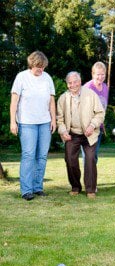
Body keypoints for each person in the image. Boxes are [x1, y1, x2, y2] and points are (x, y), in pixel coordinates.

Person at [10, 51, 56, 201]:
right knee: (28, 155)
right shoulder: (21, 77)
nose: (41, 70)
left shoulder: (47, 78)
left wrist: (53, 120)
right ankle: (26, 190)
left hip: (45, 122)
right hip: (27, 122)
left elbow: (51, 102)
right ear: (32, 64)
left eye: (43, 67)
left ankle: (38, 187)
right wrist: (13, 121)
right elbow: (14, 102)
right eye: (38, 67)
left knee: (42, 156)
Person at [56, 71, 105, 199]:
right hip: (72, 134)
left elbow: (100, 113)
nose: (73, 85)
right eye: (70, 83)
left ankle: (90, 189)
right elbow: (59, 119)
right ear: (67, 84)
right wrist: (63, 131)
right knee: (70, 160)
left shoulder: (91, 94)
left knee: (90, 159)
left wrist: (92, 125)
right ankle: (75, 187)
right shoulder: (62, 98)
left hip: (89, 133)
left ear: (80, 81)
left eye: (75, 81)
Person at [82, 61, 109, 163]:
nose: (100, 77)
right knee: (89, 156)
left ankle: (91, 178)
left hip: (99, 127)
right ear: (93, 74)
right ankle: (89, 179)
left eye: (103, 74)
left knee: (94, 156)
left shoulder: (105, 87)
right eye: (98, 74)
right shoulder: (87, 88)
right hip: (88, 126)